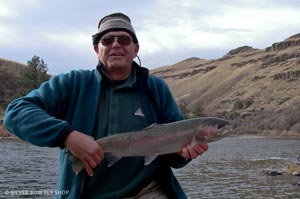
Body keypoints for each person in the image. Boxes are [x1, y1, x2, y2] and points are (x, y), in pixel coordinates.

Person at [4, 12, 208, 199]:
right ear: (96, 49)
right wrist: (67, 135)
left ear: (135, 48)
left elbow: (176, 159)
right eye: (107, 40)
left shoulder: (156, 88)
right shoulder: (73, 83)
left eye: (124, 40)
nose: (116, 44)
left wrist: (185, 154)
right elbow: (15, 113)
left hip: (149, 192)